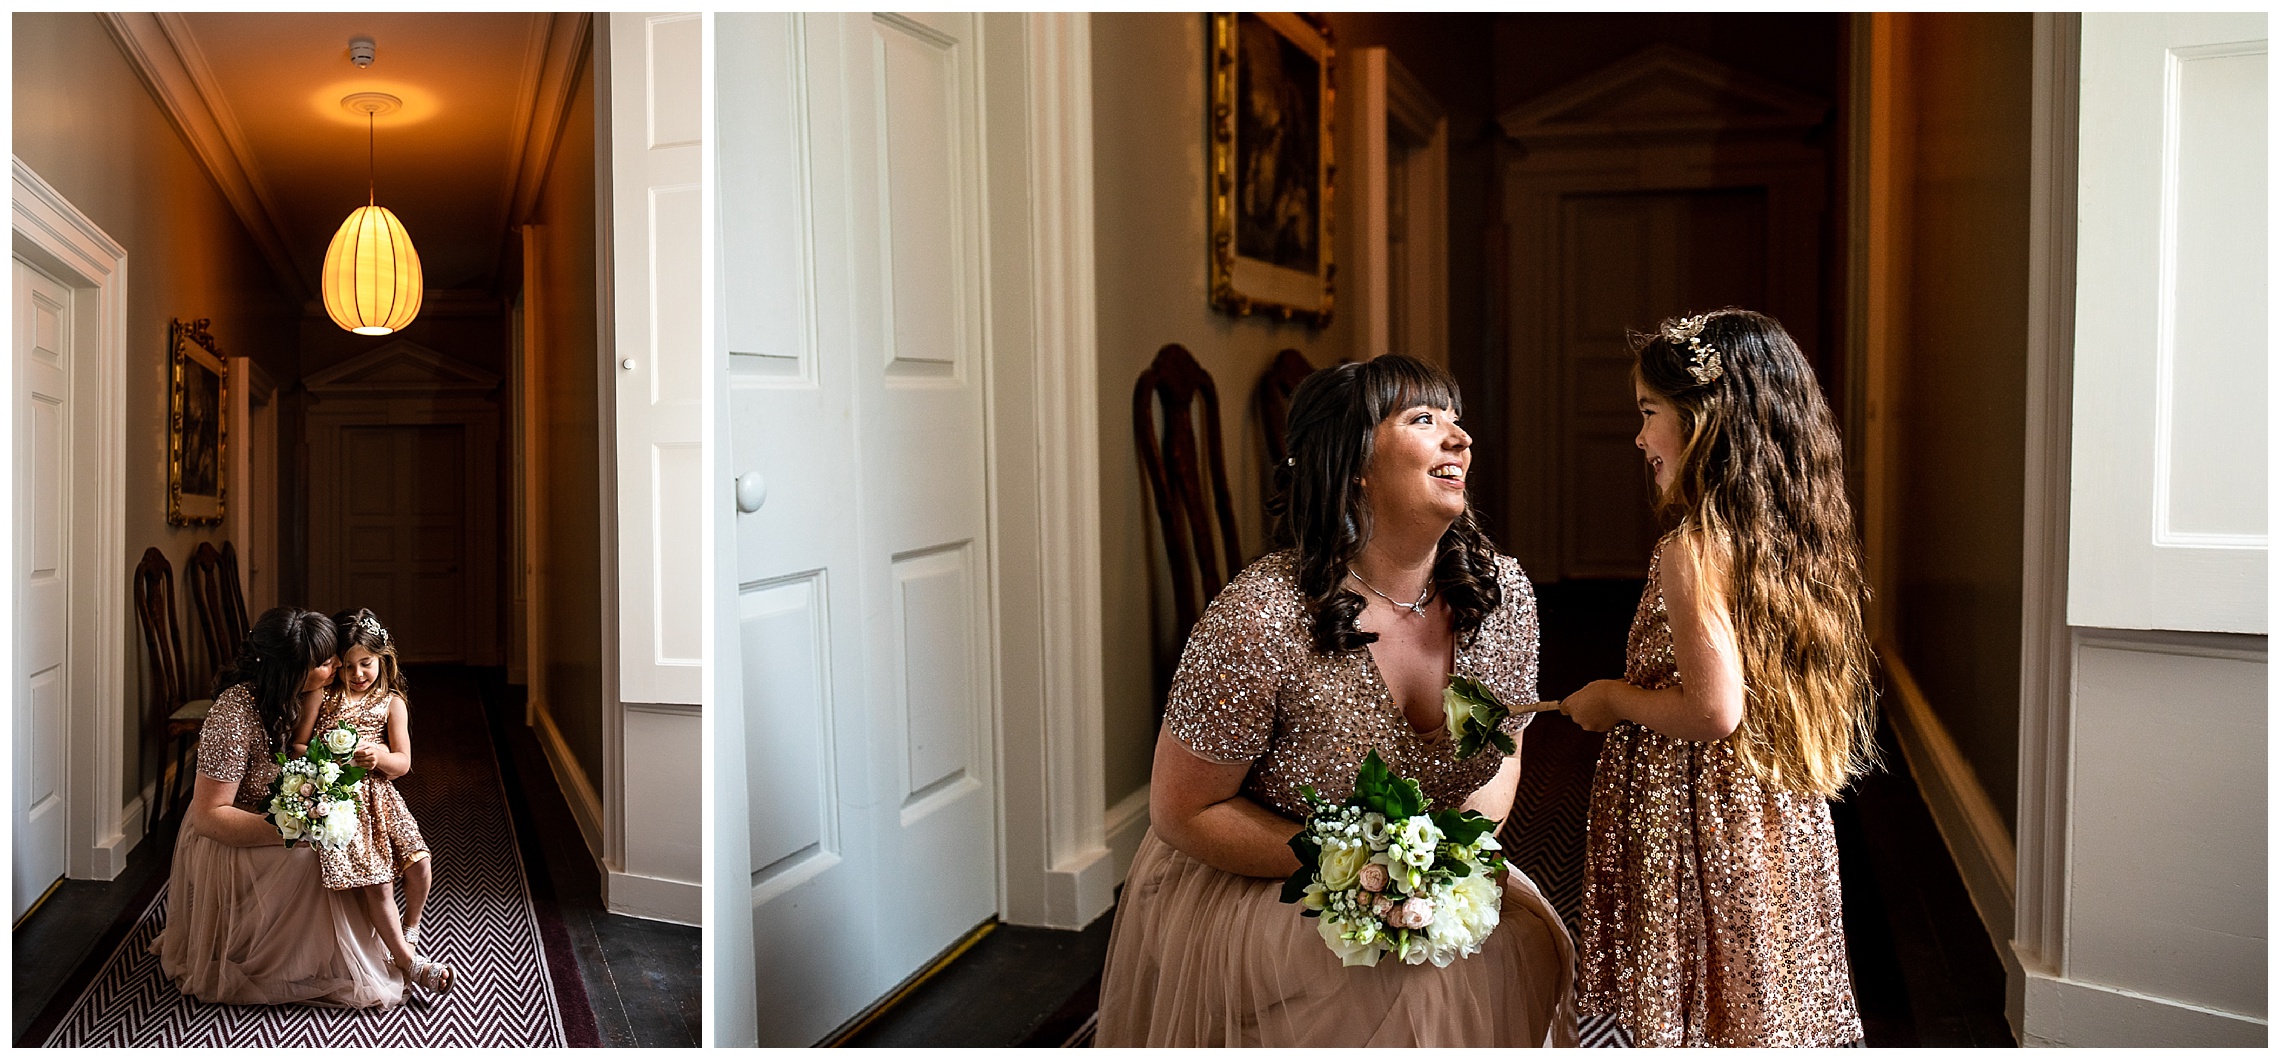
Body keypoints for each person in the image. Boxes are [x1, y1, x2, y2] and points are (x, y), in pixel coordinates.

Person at [1096, 354, 1577, 1047]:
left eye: (1457, 421)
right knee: (1404, 986)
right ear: (1353, 466)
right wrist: (1358, 873)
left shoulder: (1502, 596)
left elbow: (1499, 756)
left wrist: (1445, 867)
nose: (1460, 439)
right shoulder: (1261, 616)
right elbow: (1182, 809)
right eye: (1423, 419)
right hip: (1266, 879)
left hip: (1419, 873)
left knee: (1511, 944)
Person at [1560, 309, 1875, 1046]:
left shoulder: (1693, 548)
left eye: (1648, 413)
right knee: (1759, 987)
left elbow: (1713, 710)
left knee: (1703, 987)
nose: (1638, 438)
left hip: (1699, 815)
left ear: (1705, 420)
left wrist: (1613, 698)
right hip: (1772, 807)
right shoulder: (1789, 534)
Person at [153, 606, 408, 1007]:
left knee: (348, 845)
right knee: (316, 857)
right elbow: (208, 816)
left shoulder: (310, 695)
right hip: (232, 831)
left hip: (285, 811)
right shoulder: (233, 714)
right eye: (326, 662)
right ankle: (291, 965)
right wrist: (294, 829)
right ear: (292, 671)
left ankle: (328, 956)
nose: (339, 664)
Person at [290, 608, 448, 993]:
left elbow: (403, 763)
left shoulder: (392, 703)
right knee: (377, 883)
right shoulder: (321, 696)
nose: (358, 674)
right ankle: (409, 963)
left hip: (382, 797)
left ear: (383, 658)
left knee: (421, 864)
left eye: (366, 664)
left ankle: (410, 930)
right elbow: (296, 743)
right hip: (341, 802)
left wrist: (379, 756)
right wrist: (323, 758)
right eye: (347, 667)